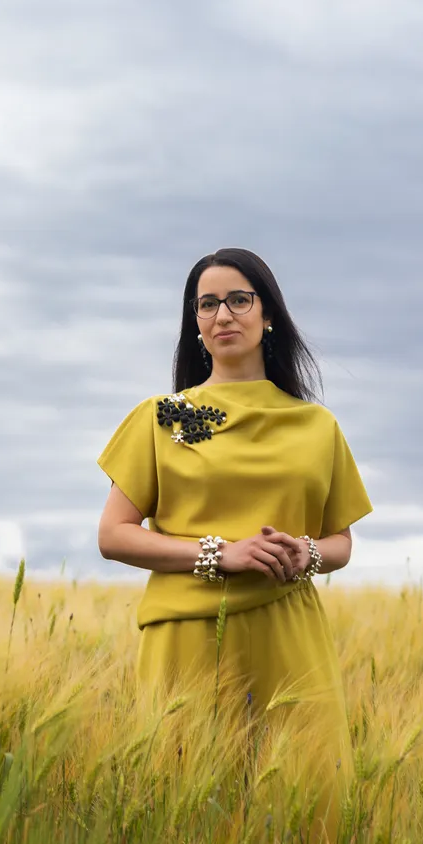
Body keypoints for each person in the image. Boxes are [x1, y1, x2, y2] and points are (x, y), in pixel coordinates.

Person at [96, 246, 372, 807]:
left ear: (268, 313)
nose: (223, 315)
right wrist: (220, 554)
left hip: (286, 632)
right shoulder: (166, 417)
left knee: (305, 803)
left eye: (239, 300)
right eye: (207, 305)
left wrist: (306, 554)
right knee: (186, 811)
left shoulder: (315, 425)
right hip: (187, 636)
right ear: (195, 324)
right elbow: (114, 534)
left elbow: (341, 541)